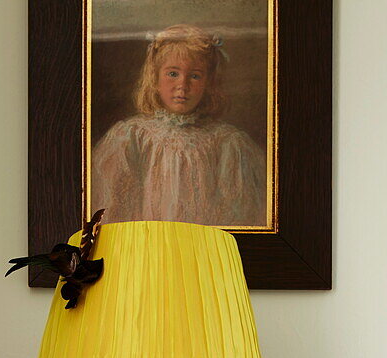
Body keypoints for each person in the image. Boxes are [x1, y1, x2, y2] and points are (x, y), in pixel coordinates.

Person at [91, 24, 267, 227]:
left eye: (195, 76)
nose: (183, 85)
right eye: (173, 74)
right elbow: (113, 209)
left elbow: (239, 213)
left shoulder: (228, 142)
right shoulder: (131, 136)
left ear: (208, 84)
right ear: (155, 78)